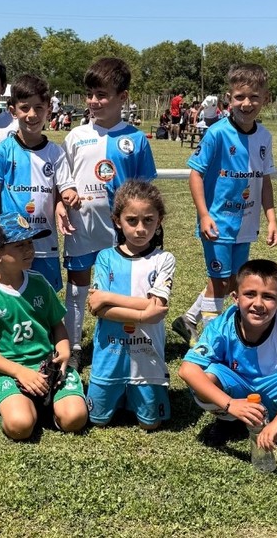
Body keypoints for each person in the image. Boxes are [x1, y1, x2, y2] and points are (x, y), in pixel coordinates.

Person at [172, 63, 277, 347]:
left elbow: (265, 180)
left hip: (246, 224)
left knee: (233, 282)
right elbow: (196, 173)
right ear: (228, 99)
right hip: (218, 222)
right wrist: (204, 215)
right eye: (240, 96)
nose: (247, 103)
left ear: (265, 99)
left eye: (254, 97)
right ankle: (212, 341)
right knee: (219, 282)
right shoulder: (217, 133)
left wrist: (271, 219)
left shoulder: (264, 137)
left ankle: (188, 319)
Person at [61, 57, 157, 371]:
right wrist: (65, 199)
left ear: (122, 97)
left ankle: (123, 339)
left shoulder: (137, 139)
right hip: (82, 228)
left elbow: (146, 191)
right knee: (78, 288)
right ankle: (74, 346)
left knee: (121, 286)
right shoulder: (75, 136)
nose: (94, 101)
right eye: (90, 94)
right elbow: (64, 180)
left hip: (120, 233)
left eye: (102, 95)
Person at [0, 213, 88, 440]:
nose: (29, 250)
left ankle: (50, 408)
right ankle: (25, 408)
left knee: (75, 419)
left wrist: (63, 352)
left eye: (30, 243)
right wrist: (19, 372)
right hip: (12, 372)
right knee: (19, 426)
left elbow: (56, 325)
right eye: (20, 245)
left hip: (48, 368)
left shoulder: (39, 283)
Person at [178, 259, 277, 449]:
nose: (258, 304)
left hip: (273, 388)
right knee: (206, 376)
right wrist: (230, 405)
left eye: (268, 297)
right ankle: (229, 420)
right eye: (250, 294)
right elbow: (187, 370)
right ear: (235, 297)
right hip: (237, 390)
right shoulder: (222, 325)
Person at [87, 180, 175, 429]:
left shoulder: (164, 259)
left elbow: (156, 311)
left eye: (148, 220)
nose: (140, 229)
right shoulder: (105, 257)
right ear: (117, 220)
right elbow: (97, 308)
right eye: (132, 220)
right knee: (97, 420)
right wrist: (141, 313)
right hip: (110, 355)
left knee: (151, 424)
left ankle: (137, 394)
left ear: (159, 221)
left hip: (146, 355)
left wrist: (109, 297)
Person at [0, 74, 78, 292]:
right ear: (12, 110)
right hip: (11, 245)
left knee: (44, 298)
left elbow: (65, 188)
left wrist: (68, 198)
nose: (32, 114)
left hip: (46, 244)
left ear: (49, 109)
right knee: (11, 296)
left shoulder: (55, 153)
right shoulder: (3, 151)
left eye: (39, 108)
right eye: (25, 108)